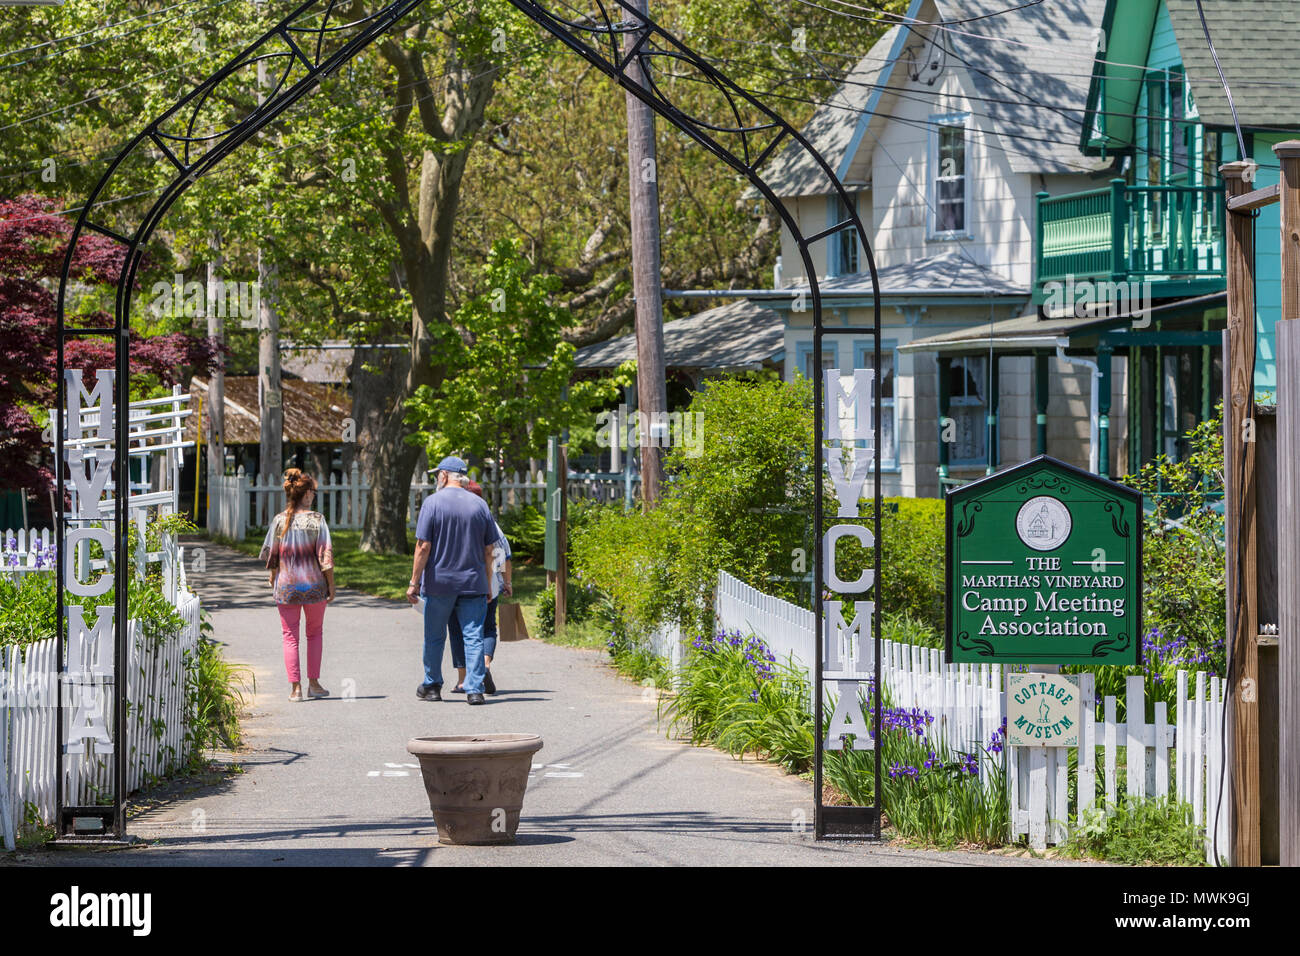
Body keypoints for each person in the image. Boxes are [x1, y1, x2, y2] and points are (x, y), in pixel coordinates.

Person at [407, 456, 498, 705]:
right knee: (473, 636)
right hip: (473, 582)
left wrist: (414, 582)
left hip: (440, 583)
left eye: (438, 474)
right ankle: (474, 688)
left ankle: (433, 685)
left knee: (435, 636)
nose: (437, 478)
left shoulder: (432, 503)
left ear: (445, 476)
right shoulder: (480, 506)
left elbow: (423, 546)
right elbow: (489, 549)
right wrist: (488, 583)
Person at [260, 469, 335, 702]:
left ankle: (296, 689)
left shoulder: (279, 520)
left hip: (286, 587)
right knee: (314, 634)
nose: (314, 495)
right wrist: (331, 585)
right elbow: (325, 556)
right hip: (314, 587)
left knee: (289, 637)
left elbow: (272, 554)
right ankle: (314, 684)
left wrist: (273, 575)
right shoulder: (317, 520)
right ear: (305, 495)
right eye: (313, 491)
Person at [448, 478, 513, 694]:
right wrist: (507, 583)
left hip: (459, 583)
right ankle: (484, 665)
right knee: (486, 627)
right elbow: (504, 555)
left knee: (458, 629)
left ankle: (462, 679)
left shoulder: (455, 521)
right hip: (490, 584)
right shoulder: (492, 524)